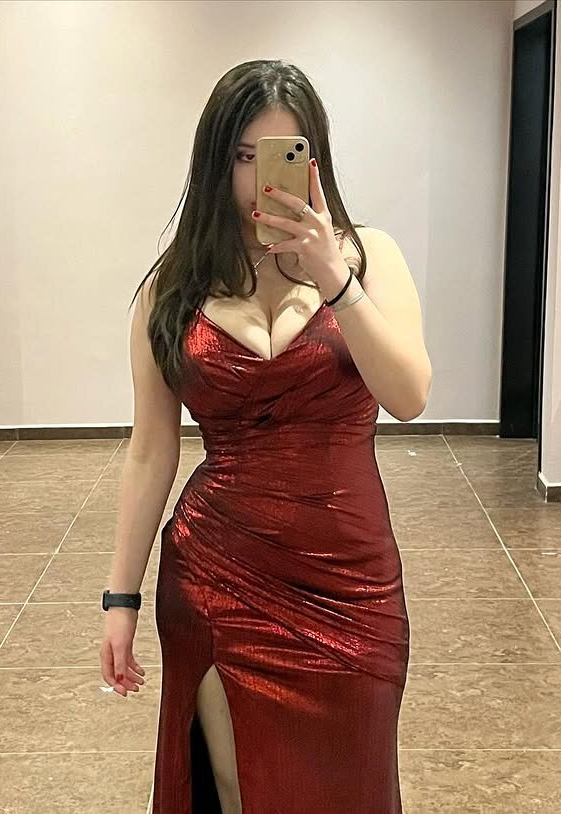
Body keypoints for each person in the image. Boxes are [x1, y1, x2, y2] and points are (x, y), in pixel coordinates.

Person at [101, 59, 432, 813]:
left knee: (353, 787)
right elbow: (151, 450)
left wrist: (334, 279)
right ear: (215, 163)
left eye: (282, 154)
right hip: (219, 575)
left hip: (352, 579)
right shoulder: (172, 287)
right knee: (240, 789)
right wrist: (120, 598)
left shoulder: (370, 257)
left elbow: (410, 395)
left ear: (315, 160)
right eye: (243, 157)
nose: (260, 179)